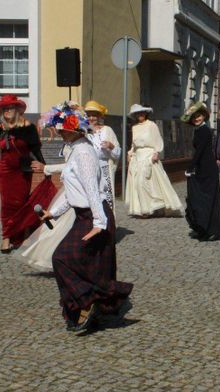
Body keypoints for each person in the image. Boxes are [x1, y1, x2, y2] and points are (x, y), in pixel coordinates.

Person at [40, 102, 133, 332]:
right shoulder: (76, 149)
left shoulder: (83, 152)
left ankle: (87, 303)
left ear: (74, 129)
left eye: (62, 128)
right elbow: (75, 191)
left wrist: (99, 223)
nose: (59, 132)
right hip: (86, 215)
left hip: (95, 215)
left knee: (63, 258)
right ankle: (88, 308)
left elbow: (93, 189)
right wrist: (53, 212)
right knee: (90, 266)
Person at [0, 94, 53, 253]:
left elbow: (35, 149)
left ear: (17, 109)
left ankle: (24, 235)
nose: (7, 111)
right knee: (6, 204)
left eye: (10, 108)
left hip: (22, 171)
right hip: (5, 171)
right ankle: (7, 238)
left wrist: (45, 168)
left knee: (21, 203)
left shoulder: (28, 128)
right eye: (4, 109)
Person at [181, 101, 220, 241]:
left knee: (207, 200)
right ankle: (205, 228)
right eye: (194, 117)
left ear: (204, 116)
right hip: (203, 167)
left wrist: (191, 167)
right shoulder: (198, 130)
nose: (196, 118)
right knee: (202, 199)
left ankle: (212, 229)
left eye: (199, 116)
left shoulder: (204, 130)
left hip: (207, 169)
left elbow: (200, 151)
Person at [125, 104, 183, 217]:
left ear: (145, 113)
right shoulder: (135, 127)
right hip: (138, 157)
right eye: (137, 113)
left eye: (141, 113)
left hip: (149, 156)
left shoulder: (152, 125)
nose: (140, 115)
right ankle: (144, 209)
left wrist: (156, 152)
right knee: (137, 183)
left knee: (146, 182)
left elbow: (157, 139)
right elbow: (134, 143)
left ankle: (154, 206)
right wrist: (130, 153)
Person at [84, 100, 121, 208]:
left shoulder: (107, 130)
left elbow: (117, 153)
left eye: (94, 115)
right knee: (90, 196)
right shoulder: (83, 132)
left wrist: (111, 146)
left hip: (104, 169)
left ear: (99, 116)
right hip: (88, 168)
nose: (91, 118)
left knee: (105, 196)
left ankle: (108, 223)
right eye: (89, 115)